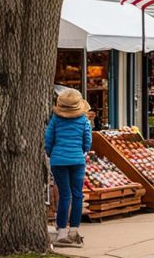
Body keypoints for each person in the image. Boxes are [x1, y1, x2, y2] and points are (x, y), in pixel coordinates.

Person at [46, 88, 92, 248]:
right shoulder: (83, 120)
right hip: (77, 161)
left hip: (58, 161)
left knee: (65, 195)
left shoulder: (56, 119)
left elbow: (48, 139)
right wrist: (81, 152)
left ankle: (62, 232)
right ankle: (74, 230)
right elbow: (87, 141)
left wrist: (53, 153)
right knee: (77, 195)